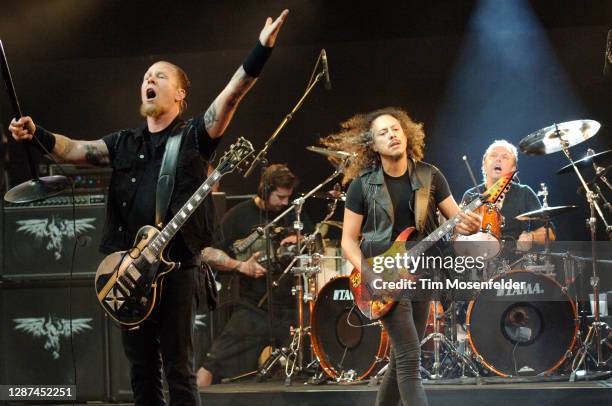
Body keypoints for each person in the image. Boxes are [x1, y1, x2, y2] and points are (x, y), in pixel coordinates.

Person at [8, 9, 289, 405]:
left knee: (177, 366)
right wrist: (36, 132)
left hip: (175, 269)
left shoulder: (194, 136)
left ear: (179, 94)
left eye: (159, 76)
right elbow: (73, 150)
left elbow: (233, 93)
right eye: (145, 78)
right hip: (130, 269)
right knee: (140, 370)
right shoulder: (124, 143)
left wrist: (261, 49)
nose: (148, 80)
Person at [322, 107, 480, 406]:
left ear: (406, 133)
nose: (392, 135)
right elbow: (347, 241)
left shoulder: (430, 176)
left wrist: (470, 225)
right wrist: (370, 275)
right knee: (410, 359)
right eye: (383, 132)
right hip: (383, 276)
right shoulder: (362, 185)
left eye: (396, 128)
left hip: (422, 274)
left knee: (400, 360)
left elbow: (457, 221)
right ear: (372, 145)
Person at [196, 163, 312, 386]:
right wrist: (240, 266)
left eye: (288, 197)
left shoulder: (291, 212)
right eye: (280, 197)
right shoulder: (238, 215)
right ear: (265, 191)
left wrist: (300, 240)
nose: (285, 203)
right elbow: (206, 252)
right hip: (254, 307)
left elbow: (314, 240)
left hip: (292, 308)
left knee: (309, 366)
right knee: (212, 365)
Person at [461, 139, 555, 251]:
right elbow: (460, 236)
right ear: (484, 164)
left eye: (505, 157)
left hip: (516, 263)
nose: (498, 159)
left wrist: (531, 236)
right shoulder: (471, 195)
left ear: (513, 168)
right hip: (480, 261)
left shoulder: (524, 193)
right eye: (493, 155)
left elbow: (550, 233)